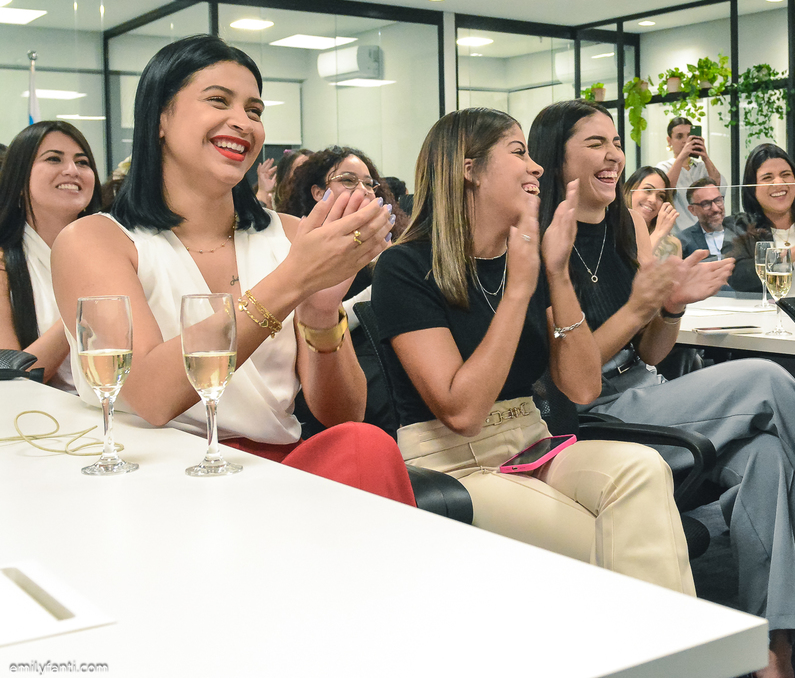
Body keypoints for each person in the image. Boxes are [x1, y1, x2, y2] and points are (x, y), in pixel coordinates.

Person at [529, 99, 795, 678]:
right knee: (763, 377)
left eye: (615, 143)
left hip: (644, 389)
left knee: (767, 456)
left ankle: (773, 647)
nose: (613, 156)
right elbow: (570, 382)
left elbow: (650, 351)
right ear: (557, 159)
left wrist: (670, 308)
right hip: (591, 417)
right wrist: (640, 306)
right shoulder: (542, 243)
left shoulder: (622, 227)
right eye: (595, 143)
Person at [52, 34, 413, 504]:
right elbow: (150, 396)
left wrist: (321, 315)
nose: (242, 122)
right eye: (218, 101)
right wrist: (293, 279)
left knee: (364, 444)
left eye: (255, 111)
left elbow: (343, 414)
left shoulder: (289, 234)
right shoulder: (94, 240)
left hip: (272, 471)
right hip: (153, 479)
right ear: (160, 117)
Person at [373, 107, 694, 594]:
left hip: (533, 441)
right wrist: (520, 289)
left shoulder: (526, 259)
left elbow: (583, 386)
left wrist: (557, 272)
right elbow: (461, 411)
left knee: (644, 467)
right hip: (452, 462)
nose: (536, 166)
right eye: (518, 152)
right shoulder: (404, 267)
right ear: (468, 170)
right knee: (607, 540)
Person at [275, 146, 400, 436]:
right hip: (333, 365)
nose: (363, 190)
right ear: (319, 193)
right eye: (348, 180)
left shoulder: (390, 245)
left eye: (369, 183)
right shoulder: (301, 246)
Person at [0, 121, 101, 390]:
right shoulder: (3, 263)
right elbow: (10, 378)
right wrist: (82, 307)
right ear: (19, 180)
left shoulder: (117, 247)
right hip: (43, 421)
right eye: (54, 159)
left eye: (82, 162)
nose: (72, 171)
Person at [729, 144, 795, 295]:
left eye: (785, 174)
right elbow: (739, 277)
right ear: (753, 188)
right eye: (767, 177)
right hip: (766, 315)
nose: (779, 183)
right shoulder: (740, 225)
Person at [656, 116, 724, 234]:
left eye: (689, 136)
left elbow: (717, 186)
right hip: (678, 235)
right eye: (679, 136)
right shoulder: (663, 168)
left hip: (706, 232)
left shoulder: (702, 167)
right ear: (669, 140)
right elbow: (666, 190)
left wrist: (705, 157)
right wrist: (683, 155)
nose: (685, 140)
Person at [678, 177, 743, 259]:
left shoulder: (741, 231)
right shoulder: (683, 241)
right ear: (692, 210)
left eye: (718, 200)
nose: (715, 209)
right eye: (706, 204)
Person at [623, 165, 680, 256]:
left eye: (661, 196)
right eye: (648, 190)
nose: (653, 200)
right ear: (630, 190)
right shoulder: (611, 232)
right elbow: (633, 268)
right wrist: (658, 234)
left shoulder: (671, 244)